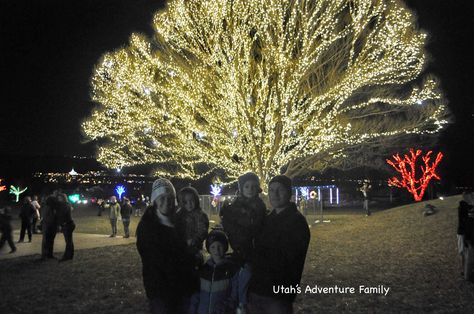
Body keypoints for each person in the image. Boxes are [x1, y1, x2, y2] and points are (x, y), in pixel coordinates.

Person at [248, 175, 310, 314]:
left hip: (278, 294)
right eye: (271, 190)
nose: (275, 194)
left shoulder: (296, 222)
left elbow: (288, 258)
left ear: (289, 192)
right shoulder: (267, 219)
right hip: (257, 289)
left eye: (280, 190)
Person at [136, 178, 197, 314]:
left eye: (169, 198)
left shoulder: (179, 221)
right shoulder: (147, 226)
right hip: (160, 290)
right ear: (155, 200)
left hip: (182, 286)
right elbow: (154, 259)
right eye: (161, 198)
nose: (166, 202)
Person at [219, 172, 266, 311]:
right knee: (237, 276)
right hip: (240, 247)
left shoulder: (260, 206)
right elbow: (231, 227)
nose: (250, 189)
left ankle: (242, 302)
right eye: (247, 186)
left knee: (247, 275)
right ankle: (237, 302)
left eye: (253, 186)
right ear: (241, 188)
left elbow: (261, 226)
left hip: (255, 249)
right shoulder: (234, 207)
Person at [189, 229, 240, 314]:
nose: (216, 250)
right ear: (209, 249)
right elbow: (196, 294)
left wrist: (225, 306)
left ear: (225, 247)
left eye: (220, 246)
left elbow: (234, 295)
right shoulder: (203, 270)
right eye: (213, 247)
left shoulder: (231, 270)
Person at [176, 186, 209, 267]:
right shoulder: (179, 215)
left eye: (192, 201)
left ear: (196, 200)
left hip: (195, 250)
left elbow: (202, 230)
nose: (189, 204)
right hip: (180, 249)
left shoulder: (200, 215)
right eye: (186, 202)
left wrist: (194, 240)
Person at [56, 193, 75, 262]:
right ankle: (70, 255)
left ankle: (67, 256)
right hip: (68, 224)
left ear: (63, 198)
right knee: (69, 241)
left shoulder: (65, 205)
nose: (59, 199)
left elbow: (63, 215)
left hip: (67, 224)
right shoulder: (66, 205)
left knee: (68, 241)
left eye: (60, 198)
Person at [41, 193, 58, 259]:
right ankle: (44, 255)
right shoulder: (47, 207)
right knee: (46, 240)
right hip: (48, 226)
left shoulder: (54, 208)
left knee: (51, 240)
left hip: (52, 225)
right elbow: (45, 217)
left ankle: (50, 254)